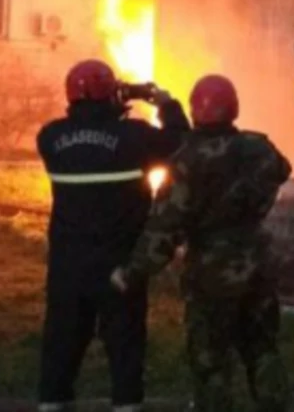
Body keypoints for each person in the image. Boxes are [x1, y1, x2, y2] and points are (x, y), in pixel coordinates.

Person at [111, 75, 292, 412]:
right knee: (263, 348)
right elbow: (282, 169)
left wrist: (131, 273)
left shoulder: (185, 161)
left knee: (211, 360)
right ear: (233, 108)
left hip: (211, 274)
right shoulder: (259, 148)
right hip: (258, 264)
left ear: (196, 111)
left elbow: (166, 229)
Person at [36, 59, 188, 412]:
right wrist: (164, 102)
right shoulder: (135, 137)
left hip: (67, 268)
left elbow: (85, 143)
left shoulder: (50, 137)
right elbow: (181, 141)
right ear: (110, 93)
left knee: (61, 345)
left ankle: (52, 403)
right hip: (120, 267)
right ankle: (125, 406)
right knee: (125, 346)